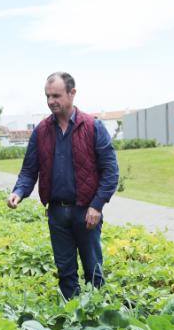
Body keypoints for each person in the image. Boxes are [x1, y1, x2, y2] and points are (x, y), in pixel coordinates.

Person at [7, 72, 119, 299]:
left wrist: (97, 206)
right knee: (65, 271)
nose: (51, 101)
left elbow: (110, 171)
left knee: (93, 270)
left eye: (56, 95)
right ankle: (71, 316)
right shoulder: (41, 131)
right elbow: (29, 169)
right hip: (57, 212)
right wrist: (19, 192)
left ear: (72, 93)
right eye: (47, 96)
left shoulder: (93, 126)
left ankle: (98, 315)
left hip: (86, 212)